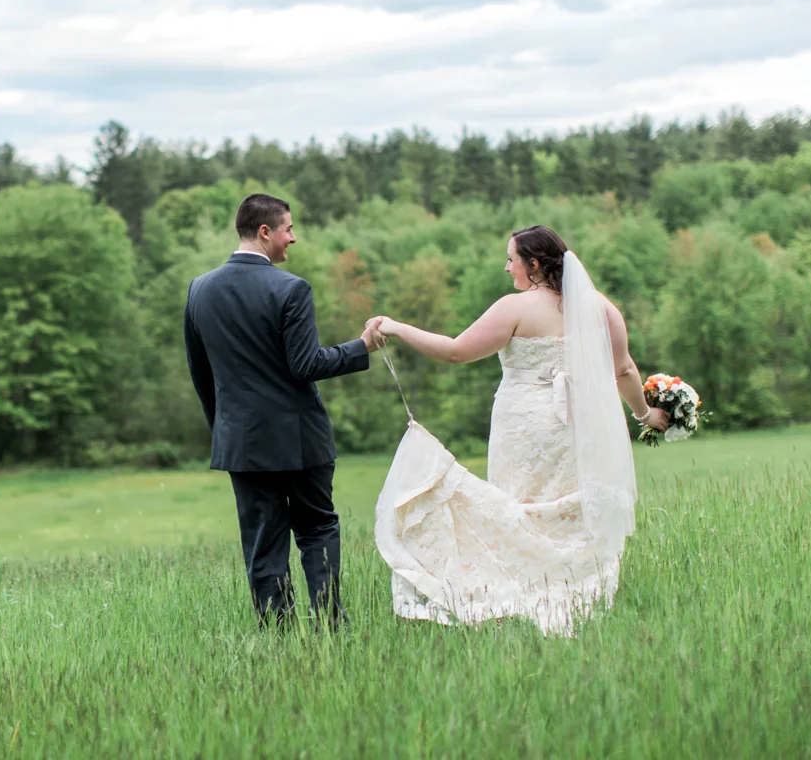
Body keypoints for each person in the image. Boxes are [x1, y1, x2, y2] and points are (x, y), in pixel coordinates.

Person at [367, 225, 668, 634]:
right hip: (575, 427)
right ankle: (573, 582)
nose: (506, 267)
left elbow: (456, 352)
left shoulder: (514, 308)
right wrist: (644, 415)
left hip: (523, 426)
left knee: (517, 502)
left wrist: (396, 328)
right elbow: (624, 369)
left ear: (534, 264)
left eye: (511, 259)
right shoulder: (600, 307)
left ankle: (518, 585)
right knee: (567, 502)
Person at [184, 193, 380, 630]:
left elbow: (201, 373)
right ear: (265, 231)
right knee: (316, 528)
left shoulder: (200, 289)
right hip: (299, 439)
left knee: (262, 539)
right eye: (288, 229)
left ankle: (276, 631)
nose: (293, 238)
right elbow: (305, 365)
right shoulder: (291, 288)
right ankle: (330, 623)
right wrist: (361, 347)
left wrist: (226, 430)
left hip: (241, 441)